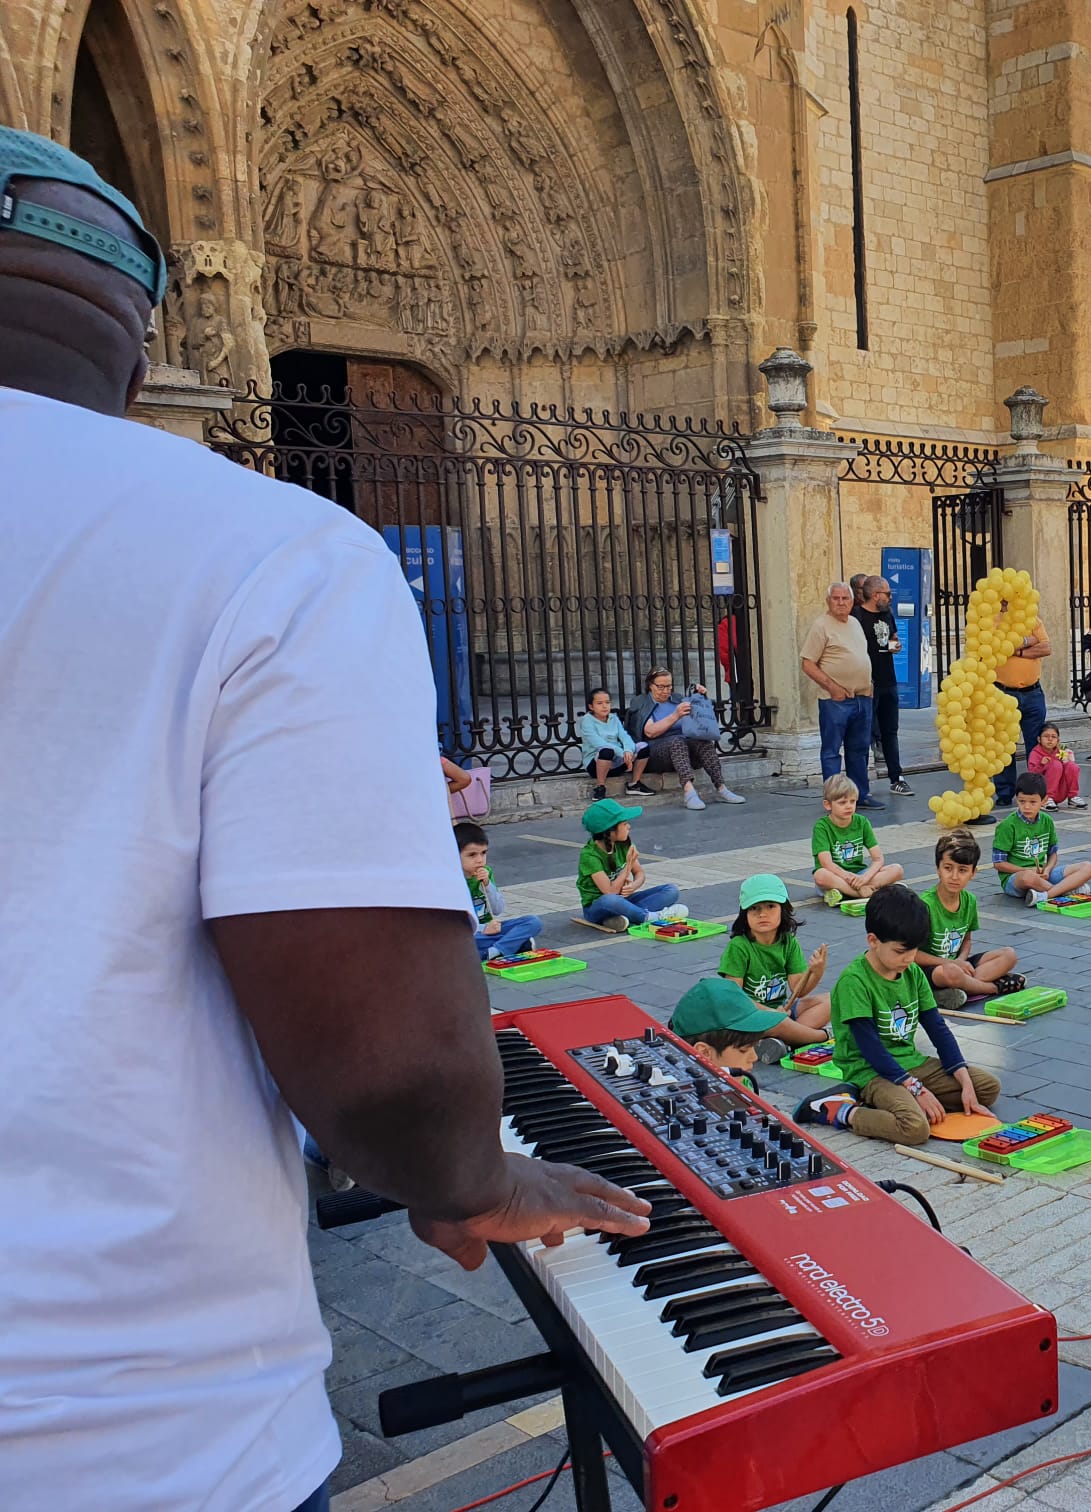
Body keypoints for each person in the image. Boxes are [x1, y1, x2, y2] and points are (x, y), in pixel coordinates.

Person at [0, 131, 650, 1512]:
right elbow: (391, 1070)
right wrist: (469, 1175)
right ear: (133, 345)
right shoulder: (263, 552)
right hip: (116, 1441)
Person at [792, 886, 1001, 1145]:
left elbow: (938, 1029)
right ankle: (839, 1110)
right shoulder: (854, 981)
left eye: (913, 950)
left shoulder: (912, 973)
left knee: (987, 1088)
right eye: (900, 952)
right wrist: (916, 1088)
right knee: (914, 1128)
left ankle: (901, 1101)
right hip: (870, 1071)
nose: (909, 959)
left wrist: (964, 1081)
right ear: (873, 941)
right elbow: (871, 1050)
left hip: (909, 1062)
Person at [719, 874, 831, 1050]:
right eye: (754, 908)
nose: (762, 914)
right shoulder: (739, 946)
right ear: (745, 913)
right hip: (751, 1016)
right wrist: (770, 1013)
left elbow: (798, 990)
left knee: (830, 1001)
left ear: (783, 909)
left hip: (782, 1010)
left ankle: (788, 1039)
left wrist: (817, 971)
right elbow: (735, 999)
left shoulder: (788, 941)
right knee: (778, 1024)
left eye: (770, 906)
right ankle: (820, 1036)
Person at [918, 830, 1023, 1010]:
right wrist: (952, 964)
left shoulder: (969, 901)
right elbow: (912, 955)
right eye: (948, 868)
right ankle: (993, 987)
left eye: (963, 870)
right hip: (932, 970)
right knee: (951, 973)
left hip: (957, 964)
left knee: (1009, 955)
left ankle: (959, 988)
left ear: (973, 873)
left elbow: (966, 940)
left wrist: (961, 960)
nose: (954, 876)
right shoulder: (925, 905)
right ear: (938, 868)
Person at [801, 582, 882, 808]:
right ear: (828, 602)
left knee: (859, 750)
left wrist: (869, 684)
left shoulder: (855, 623)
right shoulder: (821, 626)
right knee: (832, 751)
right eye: (835, 598)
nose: (840, 602)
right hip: (835, 701)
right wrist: (832, 687)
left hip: (862, 698)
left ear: (852, 601)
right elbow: (808, 664)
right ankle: (834, 799)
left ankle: (860, 795)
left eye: (844, 598)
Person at [633, 667, 745, 811]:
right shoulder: (642, 702)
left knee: (703, 742)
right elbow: (650, 732)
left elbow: (697, 723)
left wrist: (700, 697)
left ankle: (721, 787)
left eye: (669, 686)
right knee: (676, 742)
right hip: (656, 753)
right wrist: (675, 715)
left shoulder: (677, 699)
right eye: (661, 687)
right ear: (650, 685)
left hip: (684, 749)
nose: (666, 690)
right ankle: (689, 792)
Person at [994, 771, 1091, 905]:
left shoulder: (1047, 821)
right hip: (1017, 878)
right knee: (1028, 877)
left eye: (1032, 802)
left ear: (1044, 801)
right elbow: (999, 864)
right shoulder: (1007, 825)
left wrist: (1047, 870)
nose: (1026, 807)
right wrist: (1027, 870)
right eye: (1022, 801)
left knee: (1087, 867)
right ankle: (1066, 891)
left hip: (1044, 874)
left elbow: (1052, 853)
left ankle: (1046, 895)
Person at [576, 797, 682, 928]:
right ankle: (648, 917)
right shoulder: (589, 855)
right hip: (598, 906)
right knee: (611, 900)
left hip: (624, 900)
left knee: (671, 890)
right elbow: (610, 892)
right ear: (610, 830)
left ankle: (627, 916)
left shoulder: (624, 843)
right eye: (624, 824)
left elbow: (639, 873)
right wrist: (627, 867)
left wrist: (634, 886)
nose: (629, 827)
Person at [672, 977, 785, 1095]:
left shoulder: (742, 1080)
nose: (754, 1057)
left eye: (754, 1046)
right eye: (743, 1050)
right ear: (704, 1053)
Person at [853, 575, 912, 797]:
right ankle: (860, 785)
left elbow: (893, 637)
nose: (891, 597)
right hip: (867, 682)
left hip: (888, 680)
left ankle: (896, 777)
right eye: (887, 593)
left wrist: (896, 645)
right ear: (875, 595)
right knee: (863, 733)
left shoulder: (887, 614)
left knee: (890, 731)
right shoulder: (856, 617)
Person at [990, 604, 1051, 816]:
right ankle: (1005, 792)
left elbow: (1046, 648)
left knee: (1036, 745)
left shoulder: (1032, 619)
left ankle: (1036, 790)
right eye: (1005, 599)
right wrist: (1030, 641)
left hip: (1033, 693)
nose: (1009, 604)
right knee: (1005, 745)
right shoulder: (992, 621)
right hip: (1004, 692)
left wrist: (1018, 649)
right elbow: (997, 650)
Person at [456, 821, 543, 960]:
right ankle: (514, 945)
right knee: (459, 941)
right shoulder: (454, 879)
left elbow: (497, 909)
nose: (479, 860)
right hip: (471, 932)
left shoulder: (486, 872)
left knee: (533, 922)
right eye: (472, 855)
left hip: (493, 928)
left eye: (483, 853)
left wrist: (487, 884)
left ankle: (493, 951)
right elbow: (455, 923)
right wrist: (482, 929)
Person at [811, 774, 904, 902]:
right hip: (836, 876)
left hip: (860, 875)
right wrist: (849, 877)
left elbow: (878, 859)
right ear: (828, 805)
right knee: (820, 875)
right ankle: (861, 893)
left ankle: (848, 892)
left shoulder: (862, 822)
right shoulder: (822, 827)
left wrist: (865, 877)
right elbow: (827, 863)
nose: (849, 806)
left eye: (852, 801)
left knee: (897, 870)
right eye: (842, 803)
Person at [577, 686, 650, 800]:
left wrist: (628, 751)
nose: (604, 706)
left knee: (643, 747)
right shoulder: (587, 721)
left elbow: (624, 736)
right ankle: (600, 787)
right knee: (606, 750)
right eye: (599, 703)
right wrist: (623, 754)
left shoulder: (613, 718)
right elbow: (598, 743)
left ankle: (634, 784)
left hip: (618, 761)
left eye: (607, 702)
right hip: (596, 764)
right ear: (591, 706)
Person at [1027, 722, 1085, 808]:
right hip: (1041, 791)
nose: (1050, 739)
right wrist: (1041, 765)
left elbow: (1068, 769)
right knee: (1055, 765)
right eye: (1046, 736)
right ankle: (1046, 799)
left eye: (1053, 737)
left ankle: (1073, 797)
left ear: (1058, 740)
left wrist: (1068, 760)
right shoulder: (1035, 753)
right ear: (1039, 739)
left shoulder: (1060, 752)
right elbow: (1031, 775)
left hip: (1059, 790)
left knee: (1072, 766)